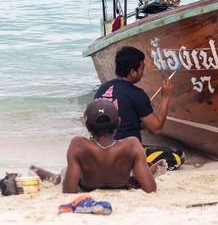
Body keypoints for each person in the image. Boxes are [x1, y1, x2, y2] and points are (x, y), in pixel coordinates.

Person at [31, 99, 166, 193]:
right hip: (120, 181)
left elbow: (69, 191)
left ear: (87, 126)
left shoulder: (78, 145)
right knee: (130, 169)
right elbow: (150, 189)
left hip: (86, 186)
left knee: (65, 173)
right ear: (118, 122)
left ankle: (52, 177)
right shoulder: (132, 144)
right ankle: (144, 173)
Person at [94, 46, 174, 142]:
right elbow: (156, 128)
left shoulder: (101, 89)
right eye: (142, 68)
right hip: (127, 152)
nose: (143, 72)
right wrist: (165, 96)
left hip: (101, 150)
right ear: (132, 72)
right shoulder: (136, 94)